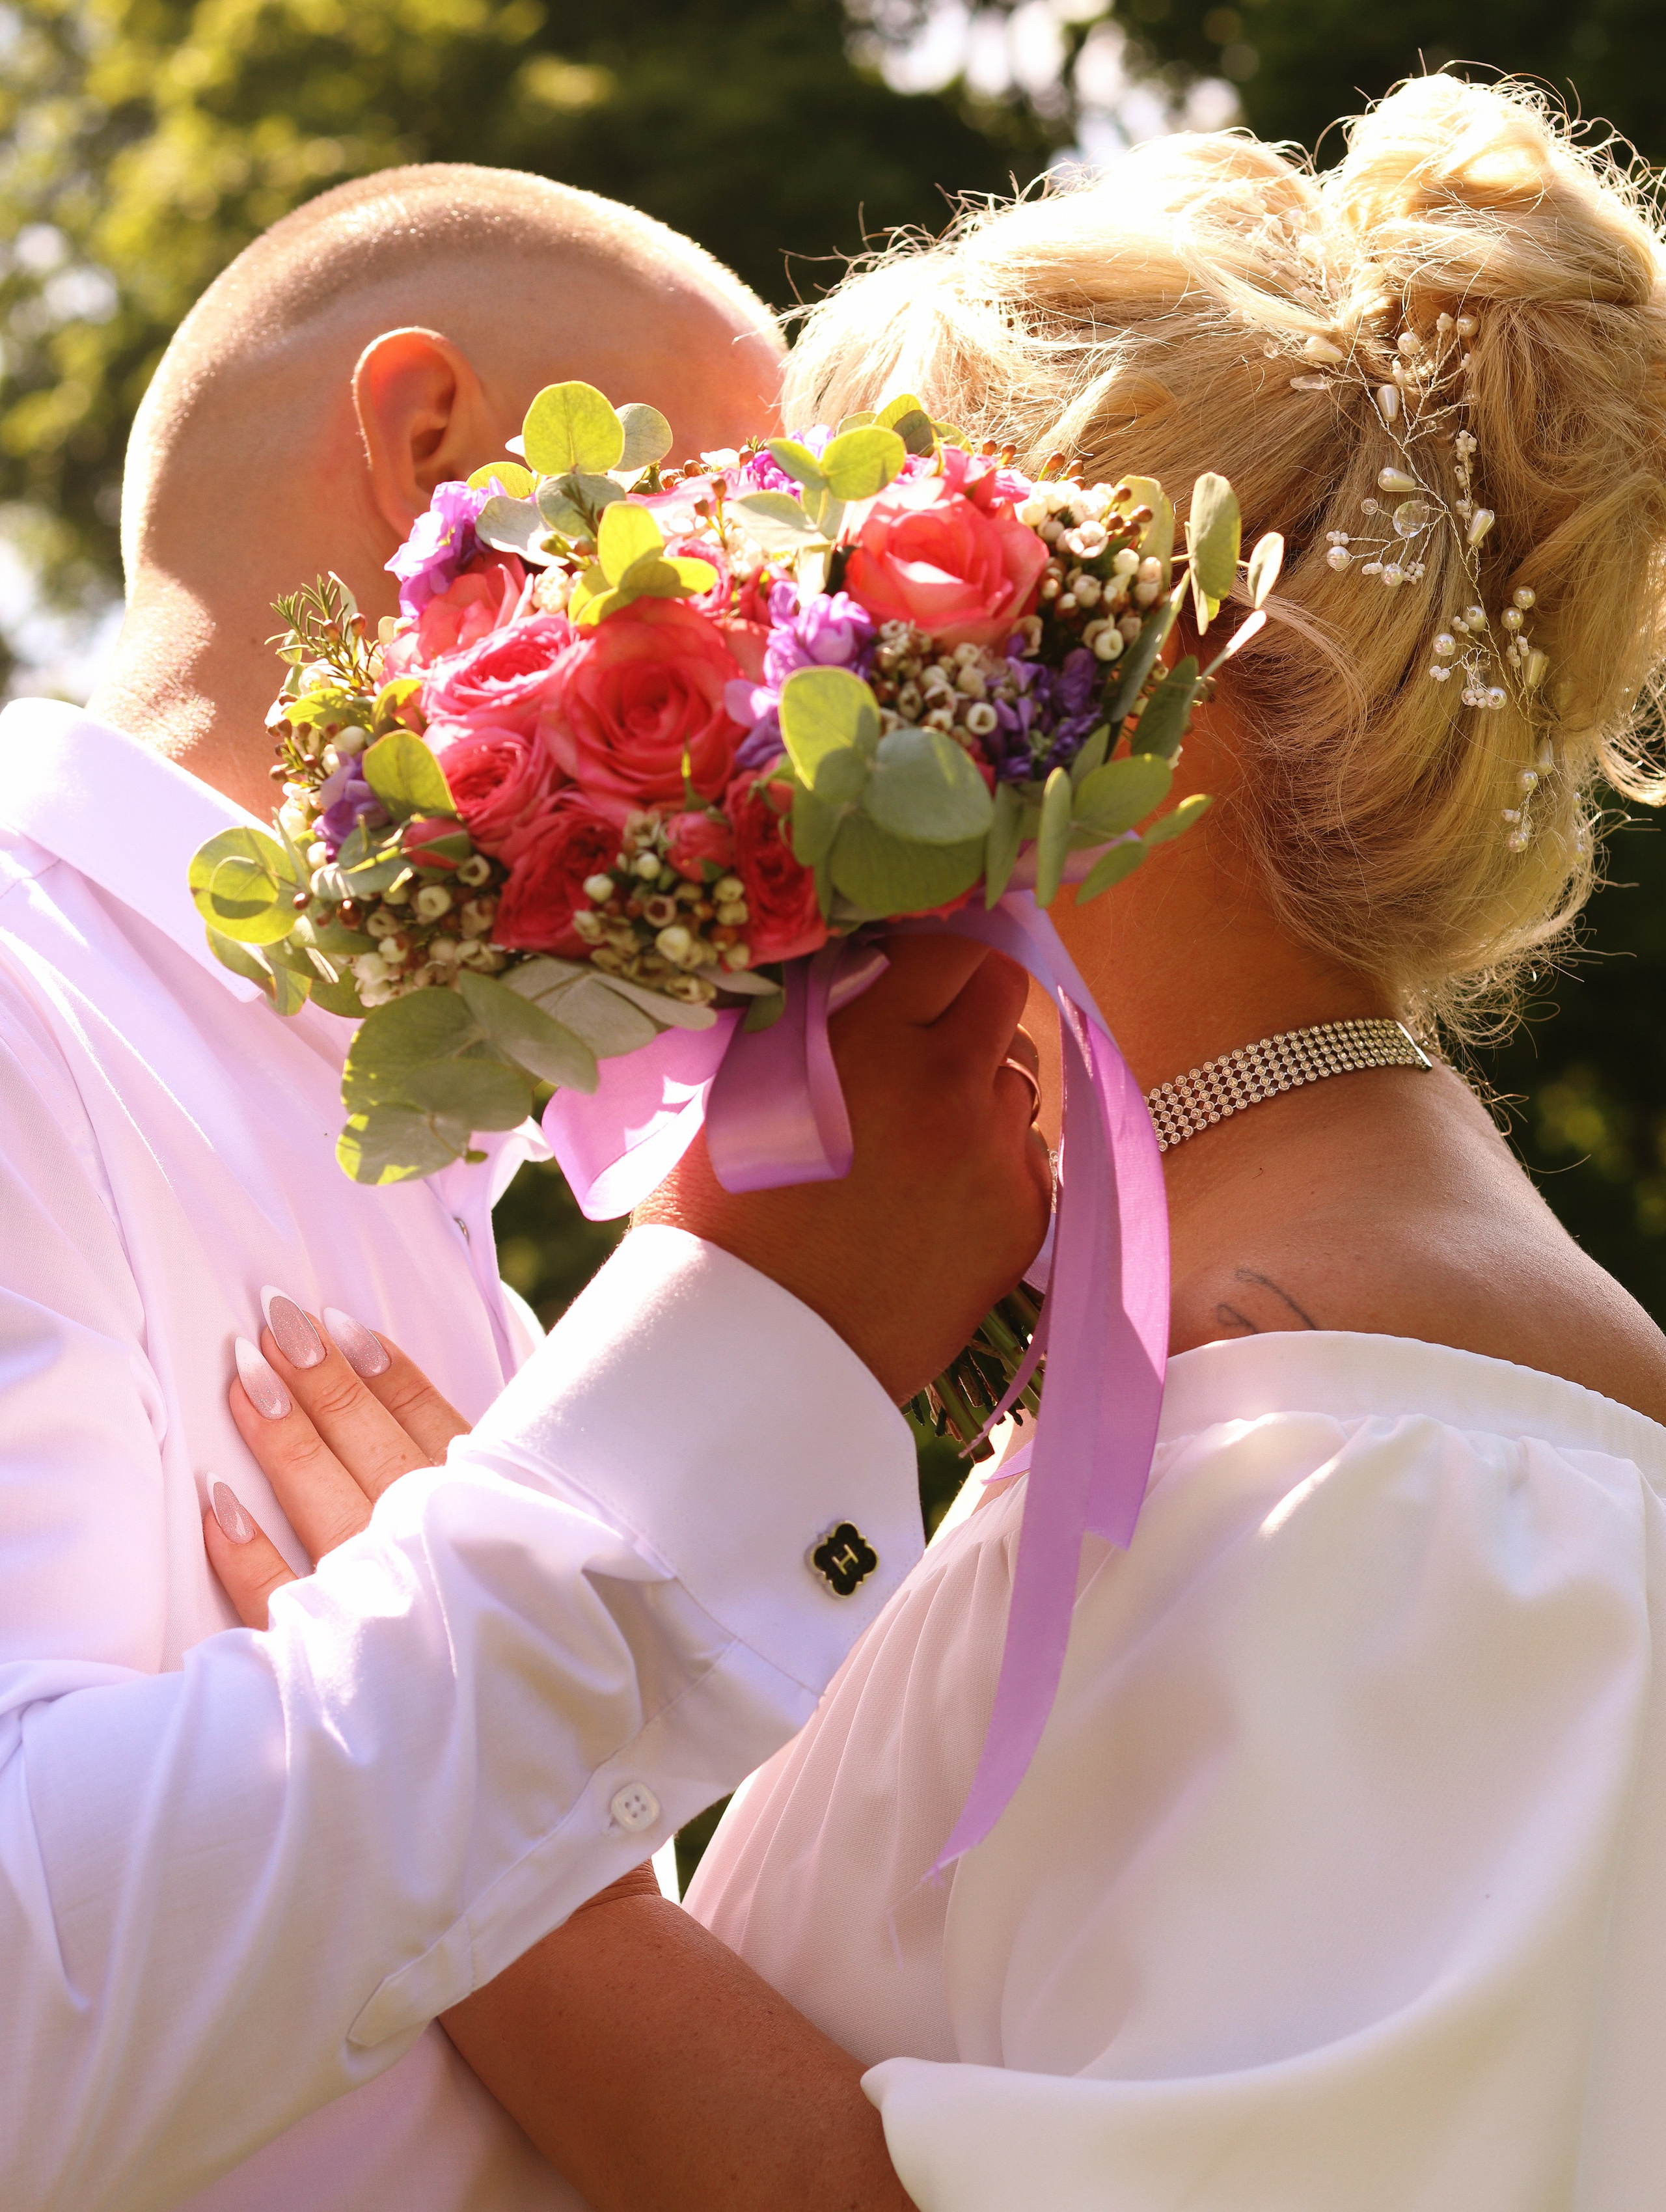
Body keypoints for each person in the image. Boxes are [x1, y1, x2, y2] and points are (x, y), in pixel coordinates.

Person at [214, 74, 1666, 2211]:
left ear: (1126, 671)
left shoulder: (1419, 1491)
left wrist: (431, 1762)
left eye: (843, 590)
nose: (742, 683)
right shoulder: (1245, 1376)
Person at [0, 162, 1048, 2212]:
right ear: (438, 456)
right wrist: (741, 1372)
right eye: (735, 553)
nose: (778, 687)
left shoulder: (456, 1220)